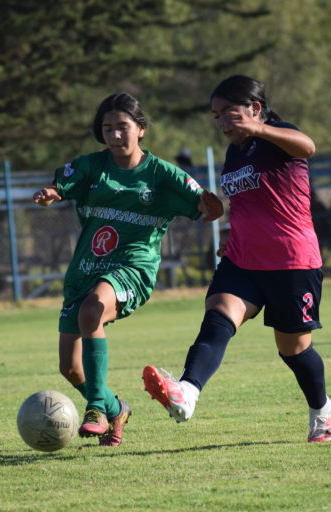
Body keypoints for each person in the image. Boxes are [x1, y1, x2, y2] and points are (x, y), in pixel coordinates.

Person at [142, 74, 331, 443]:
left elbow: (308, 147)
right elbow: (247, 203)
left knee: (294, 350)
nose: (221, 124)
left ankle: (322, 409)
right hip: (243, 259)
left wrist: (259, 129)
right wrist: (233, 236)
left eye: (228, 114)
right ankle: (186, 392)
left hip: (292, 261)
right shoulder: (235, 153)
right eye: (216, 117)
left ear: (255, 108)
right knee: (217, 317)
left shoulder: (281, 135)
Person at [33, 93, 223, 447]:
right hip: (85, 270)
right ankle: (116, 408)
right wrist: (52, 193)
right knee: (70, 368)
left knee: (92, 311)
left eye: (123, 127)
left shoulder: (163, 174)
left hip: (133, 269)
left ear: (141, 129)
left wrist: (212, 207)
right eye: (107, 128)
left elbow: (205, 207)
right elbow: (62, 185)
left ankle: (95, 408)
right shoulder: (92, 167)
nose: (115, 135)